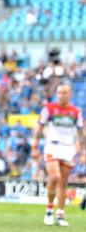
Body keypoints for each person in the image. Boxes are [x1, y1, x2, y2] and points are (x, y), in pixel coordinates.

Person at [31, 83, 85, 227]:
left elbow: (81, 133)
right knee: (55, 176)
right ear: (56, 94)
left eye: (65, 93)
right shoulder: (49, 109)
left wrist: (82, 152)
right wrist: (35, 145)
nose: (62, 95)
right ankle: (49, 209)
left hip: (68, 148)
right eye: (60, 92)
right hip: (52, 146)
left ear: (70, 95)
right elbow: (39, 127)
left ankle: (60, 214)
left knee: (63, 183)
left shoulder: (76, 111)